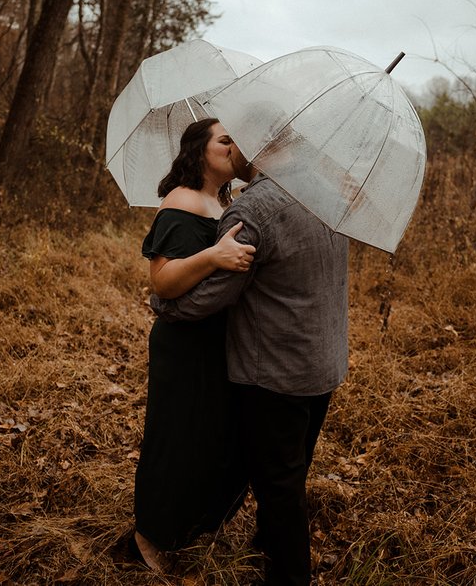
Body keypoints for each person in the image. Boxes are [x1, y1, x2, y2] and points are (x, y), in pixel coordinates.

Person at [150, 141, 349, 586]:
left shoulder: (254, 207)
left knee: (278, 487)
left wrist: (162, 305)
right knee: (293, 470)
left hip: (274, 372)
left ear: (257, 144)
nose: (231, 148)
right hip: (324, 363)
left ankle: (288, 575)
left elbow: (212, 296)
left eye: (236, 137)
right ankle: (266, 546)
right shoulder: (325, 192)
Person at [132, 117, 255, 572]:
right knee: (175, 438)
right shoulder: (181, 202)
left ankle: (185, 526)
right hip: (183, 344)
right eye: (225, 139)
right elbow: (163, 282)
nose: (233, 146)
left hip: (216, 341)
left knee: (209, 438)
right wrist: (212, 255)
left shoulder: (222, 201)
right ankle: (148, 536)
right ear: (197, 150)